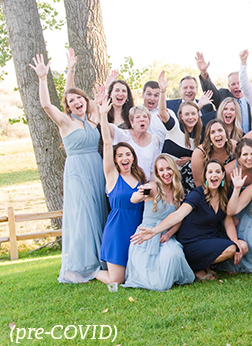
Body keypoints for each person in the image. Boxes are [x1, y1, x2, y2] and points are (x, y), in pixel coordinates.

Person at [30, 54, 107, 284]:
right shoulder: (65, 122)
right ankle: (82, 264)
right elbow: (46, 104)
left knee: (98, 211)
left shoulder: (93, 119)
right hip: (77, 172)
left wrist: (71, 69)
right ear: (68, 106)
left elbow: (91, 100)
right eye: (71, 101)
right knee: (83, 215)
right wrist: (43, 78)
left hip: (96, 169)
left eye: (79, 99)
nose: (76, 102)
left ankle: (102, 259)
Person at [131, 160, 248, 281]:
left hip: (212, 237)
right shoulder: (197, 194)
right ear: (205, 176)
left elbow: (229, 219)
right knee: (231, 249)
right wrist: (154, 231)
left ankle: (205, 264)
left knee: (242, 246)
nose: (214, 175)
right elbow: (179, 215)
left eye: (218, 172)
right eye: (210, 172)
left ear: (223, 175)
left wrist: (235, 241)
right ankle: (194, 266)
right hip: (192, 241)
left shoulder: (225, 193)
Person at [123, 155, 195, 290]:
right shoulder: (153, 187)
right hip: (145, 236)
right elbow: (134, 198)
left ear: (174, 169)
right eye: (161, 170)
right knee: (159, 283)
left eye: (168, 169)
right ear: (157, 173)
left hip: (165, 236)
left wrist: (169, 234)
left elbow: (179, 218)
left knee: (174, 254)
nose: (165, 173)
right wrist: (140, 193)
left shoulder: (179, 191)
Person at [97, 96, 146, 286]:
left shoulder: (140, 178)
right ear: (115, 160)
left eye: (128, 154)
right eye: (120, 155)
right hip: (117, 232)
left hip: (137, 231)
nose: (124, 158)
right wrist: (102, 115)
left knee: (134, 276)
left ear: (133, 158)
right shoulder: (112, 176)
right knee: (116, 281)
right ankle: (95, 273)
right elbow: (108, 143)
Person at [156, 73, 202, 188]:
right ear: (180, 116)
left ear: (198, 115)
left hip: (187, 183)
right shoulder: (174, 127)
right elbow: (162, 112)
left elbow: (207, 155)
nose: (190, 117)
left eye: (193, 114)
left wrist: (192, 159)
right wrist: (162, 91)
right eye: (187, 114)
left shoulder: (201, 135)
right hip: (167, 180)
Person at [196, 51, 252, 134]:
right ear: (229, 86)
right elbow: (210, 90)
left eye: (239, 83)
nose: (237, 86)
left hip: (248, 139)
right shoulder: (223, 96)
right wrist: (204, 72)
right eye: (233, 84)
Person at [110, 105, 162, 180]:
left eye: (145, 116)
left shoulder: (155, 140)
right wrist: (102, 113)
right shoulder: (123, 135)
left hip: (145, 184)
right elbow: (108, 129)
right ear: (132, 123)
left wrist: (151, 186)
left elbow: (153, 171)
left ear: (149, 121)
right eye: (137, 117)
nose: (142, 120)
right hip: (126, 182)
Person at [190, 120, 235, 191]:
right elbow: (199, 184)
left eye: (220, 130)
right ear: (209, 137)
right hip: (198, 186)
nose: (217, 134)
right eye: (213, 132)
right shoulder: (199, 152)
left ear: (226, 133)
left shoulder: (233, 146)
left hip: (222, 186)